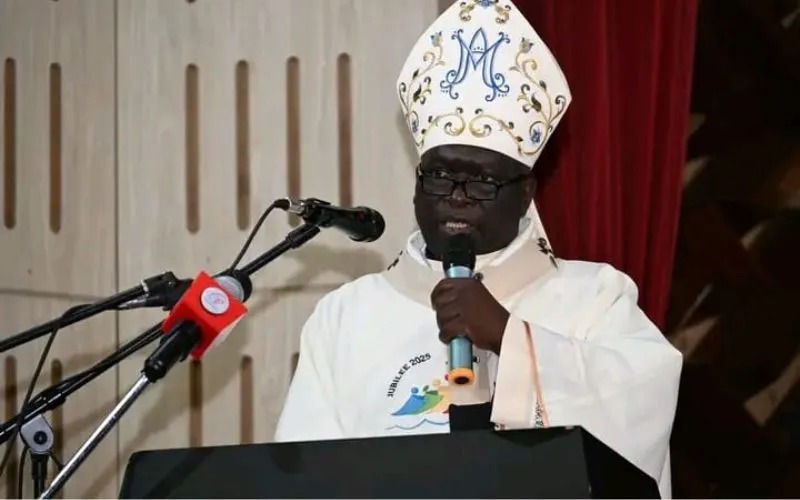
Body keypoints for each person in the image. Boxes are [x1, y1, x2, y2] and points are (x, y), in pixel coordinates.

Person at [274, 0, 682, 497]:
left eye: (483, 181)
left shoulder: (596, 297)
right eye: (441, 175)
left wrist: (509, 338)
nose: (459, 197)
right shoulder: (345, 316)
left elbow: (641, 407)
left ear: (527, 191)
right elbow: (302, 479)